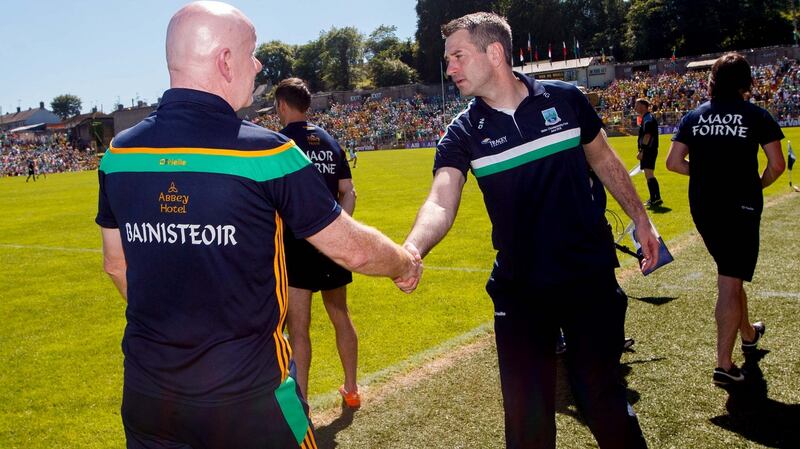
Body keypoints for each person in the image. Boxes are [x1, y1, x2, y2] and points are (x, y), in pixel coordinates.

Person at [95, 3, 421, 448]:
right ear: (225, 61)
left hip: (150, 397)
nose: (259, 65)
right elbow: (353, 249)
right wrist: (404, 262)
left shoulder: (118, 155)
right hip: (251, 397)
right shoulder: (265, 154)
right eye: (252, 54)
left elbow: (116, 266)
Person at [403, 12, 658, 449]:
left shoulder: (567, 98)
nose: (450, 69)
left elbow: (604, 160)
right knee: (527, 418)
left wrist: (641, 218)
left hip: (589, 277)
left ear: (495, 52)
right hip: (520, 290)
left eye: (457, 56)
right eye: (449, 60)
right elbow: (441, 199)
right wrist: (413, 247)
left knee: (601, 397)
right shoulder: (462, 132)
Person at [666, 52, 785, 387]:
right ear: (746, 83)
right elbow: (777, 165)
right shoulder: (756, 115)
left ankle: (748, 333)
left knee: (730, 273)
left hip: (704, 208)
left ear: (713, 81)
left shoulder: (695, 116)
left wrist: (706, 175)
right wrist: (756, 183)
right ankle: (724, 365)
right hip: (741, 207)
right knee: (730, 281)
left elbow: (673, 163)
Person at [274, 77, 361, 407]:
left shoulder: (278, 143)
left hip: (295, 246)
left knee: (299, 329)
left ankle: (302, 402)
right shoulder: (328, 140)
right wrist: (343, 225)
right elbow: (348, 190)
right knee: (340, 314)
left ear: (283, 105)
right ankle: (351, 390)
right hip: (331, 241)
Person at [635, 98, 662, 207]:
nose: (635, 107)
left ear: (643, 106)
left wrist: (642, 151)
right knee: (649, 174)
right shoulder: (646, 118)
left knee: (649, 174)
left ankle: (654, 199)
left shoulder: (648, 119)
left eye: (637, 105)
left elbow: (647, 135)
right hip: (650, 150)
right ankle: (656, 198)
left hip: (649, 150)